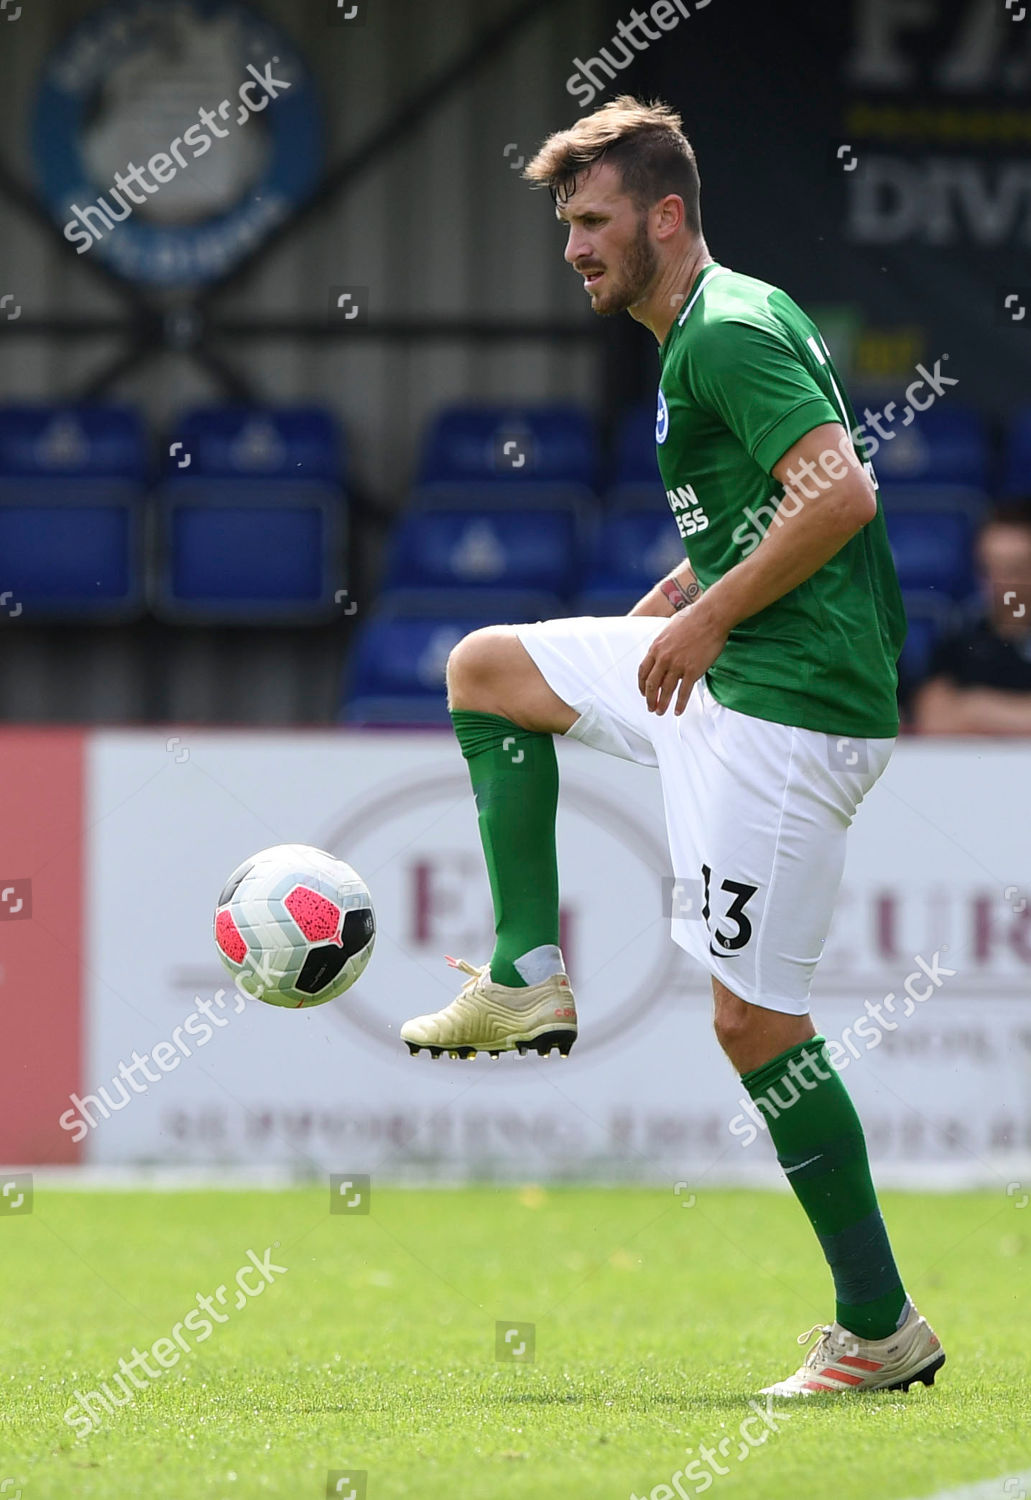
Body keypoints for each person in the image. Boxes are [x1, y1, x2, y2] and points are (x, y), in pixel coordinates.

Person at [400, 96, 944, 1397]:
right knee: (487, 671)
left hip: (788, 705)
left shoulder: (729, 330)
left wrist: (707, 612)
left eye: (591, 223)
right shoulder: (697, 331)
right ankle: (527, 972)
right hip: (729, 660)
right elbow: (765, 500)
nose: (574, 248)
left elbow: (839, 490)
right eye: (564, 227)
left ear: (662, 215)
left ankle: (878, 1329)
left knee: (752, 1023)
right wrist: (683, 586)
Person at [913, 502, 1031, 733]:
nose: (998, 584)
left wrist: (976, 707)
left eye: (1014, 569)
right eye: (988, 569)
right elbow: (932, 721)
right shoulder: (958, 644)